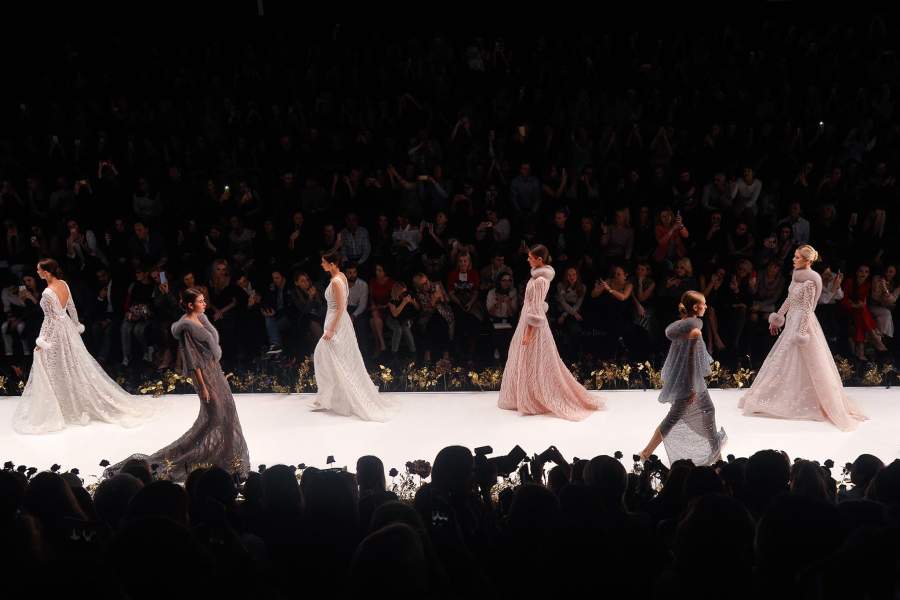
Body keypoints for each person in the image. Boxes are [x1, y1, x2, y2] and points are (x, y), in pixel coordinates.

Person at [108, 288, 249, 482]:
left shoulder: (202, 319)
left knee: (228, 414)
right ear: (190, 305)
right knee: (214, 418)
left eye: (204, 300)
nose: (205, 303)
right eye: (200, 301)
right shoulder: (187, 327)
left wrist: (218, 372)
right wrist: (203, 387)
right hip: (204, 377)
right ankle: (180, 458)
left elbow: (210, 351)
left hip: (215, 372)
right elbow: (192, 360)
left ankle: (228, 458)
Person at [13, 258, 154, 434]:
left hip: (56, 332)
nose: (37, 272)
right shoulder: (63, 284)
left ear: (47, 272)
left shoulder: (48, 292)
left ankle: (61, 407)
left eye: (39, 270)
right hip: (68, 329)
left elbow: (49, 320)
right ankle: (67, 403)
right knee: (71, 365)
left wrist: (41, 341)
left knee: (53, 366)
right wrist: (76, 324)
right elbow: (71, 308)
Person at [739, 245, 867, 431]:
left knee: (803, 359)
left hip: (802, 322)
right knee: (785, 358)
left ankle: (808, 400)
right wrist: (778, 316)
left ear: (807, 261)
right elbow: (789, 299)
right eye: (794, 256)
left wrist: (802, 331)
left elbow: (808, 309)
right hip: (792, 319)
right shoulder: (796, 275)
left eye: (797, 257)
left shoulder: (811, 281)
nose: (794, 259)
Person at [498, 245, 604, 420]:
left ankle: (535, 396)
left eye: (531, 257)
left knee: (534, 359)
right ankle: (525, 395)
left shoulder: (541, 280)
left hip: (533, 325)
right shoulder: (537, 277)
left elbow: (536, 309)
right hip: (526, 321)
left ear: (539, 259)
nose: (528, 259)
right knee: (525, 359)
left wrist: (528, 333)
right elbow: (534, 306)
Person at [638, 291, 726, 465]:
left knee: (708, 410)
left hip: (691, 380)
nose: (706, 306)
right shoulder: (694, 331)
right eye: (703, 304)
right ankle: (645, 453)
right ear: (695, 307)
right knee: (673, 417)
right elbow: (690, 361)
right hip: (689, 381)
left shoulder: (682, 326)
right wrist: (692, 387)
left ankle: (716, 455)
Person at [313, 250, 397, 421]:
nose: (321, 264)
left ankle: (340, 398)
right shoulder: (341, 277)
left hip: (336, 323)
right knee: (333, 359)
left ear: (332, 264)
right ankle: (332, 397)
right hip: (336, 321)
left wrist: (331, 329)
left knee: (329, 357)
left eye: (324, 262)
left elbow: (341, 307)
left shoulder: (337, 281)